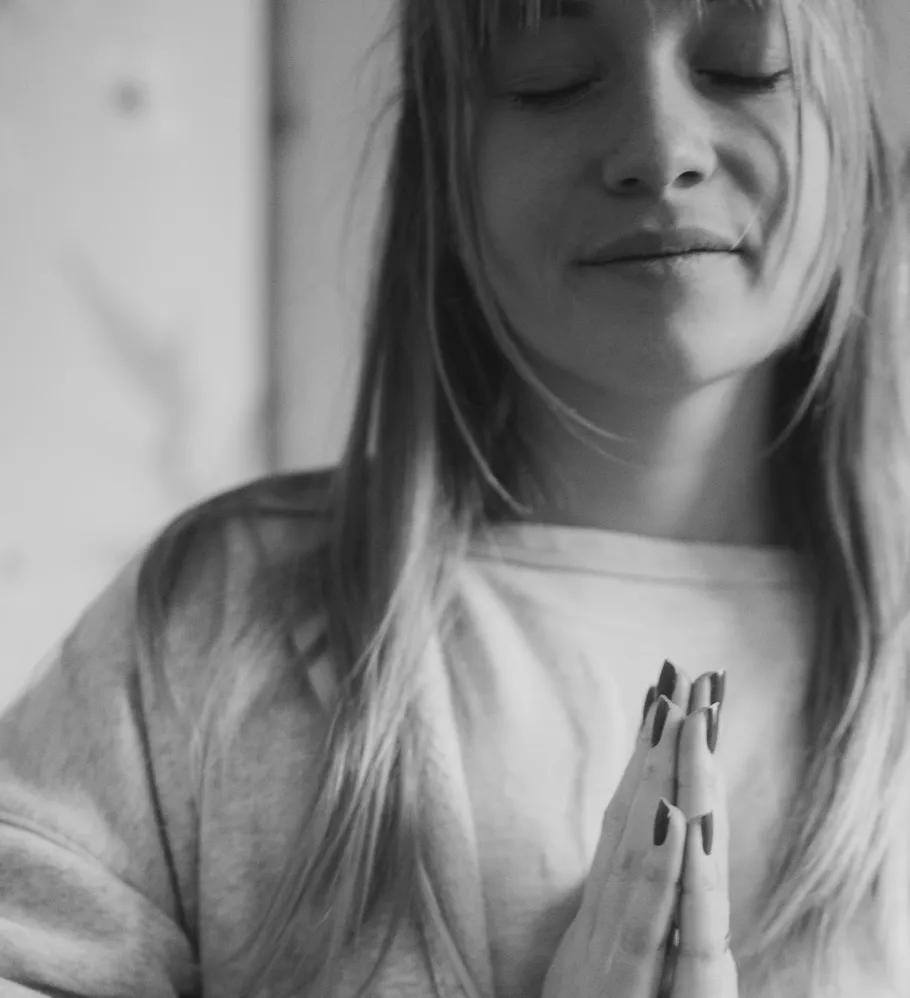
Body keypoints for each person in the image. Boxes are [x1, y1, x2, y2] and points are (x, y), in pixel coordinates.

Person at [1, 0, 909, 994]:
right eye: (550, 80)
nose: (659, 147)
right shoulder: (214, 619)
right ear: (441, 168)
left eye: (746, 69)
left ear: (858, 135)